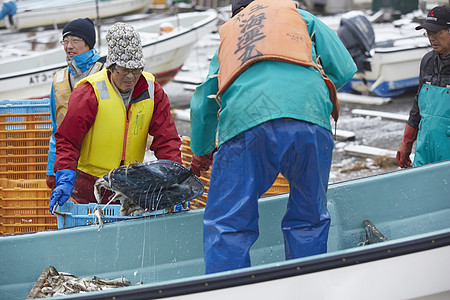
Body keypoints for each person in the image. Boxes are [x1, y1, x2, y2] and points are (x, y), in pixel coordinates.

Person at [189, 0, 357, 274]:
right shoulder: (300, 17)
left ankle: (228, 292)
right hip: (310, 117)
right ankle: (308, 285)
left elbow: (203, 103)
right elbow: (344, 68)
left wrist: (202, 150)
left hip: (246, 122)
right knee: (309, 218)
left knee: (228, 223)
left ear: (237, 13)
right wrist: (304, 91)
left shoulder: (232, 32)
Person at [49, 22, 182, 213]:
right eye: (123, 70)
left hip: (130, 186)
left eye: (136, 70)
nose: (130, 76)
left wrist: (173, 181)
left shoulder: (153, 91)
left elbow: (167, 140)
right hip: (89, 186)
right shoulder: (89, 92)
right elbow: (68, 140)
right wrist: (65, 177)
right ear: (111, 67)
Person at [46, 18, 105, 190]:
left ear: (88, 43)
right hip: (69, 165)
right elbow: (56, 128)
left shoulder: (105, 72)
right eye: (65, 41)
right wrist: (52, 168)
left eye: (75, 40)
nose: (69, 46)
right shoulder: (59, 79)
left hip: (101, 166)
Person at [397, 6, 450, 168]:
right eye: (428, 33)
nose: (431, 39)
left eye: (437, 33)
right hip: (425, 146)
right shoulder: (427, 61)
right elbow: (417, 106)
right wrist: (407, 142)